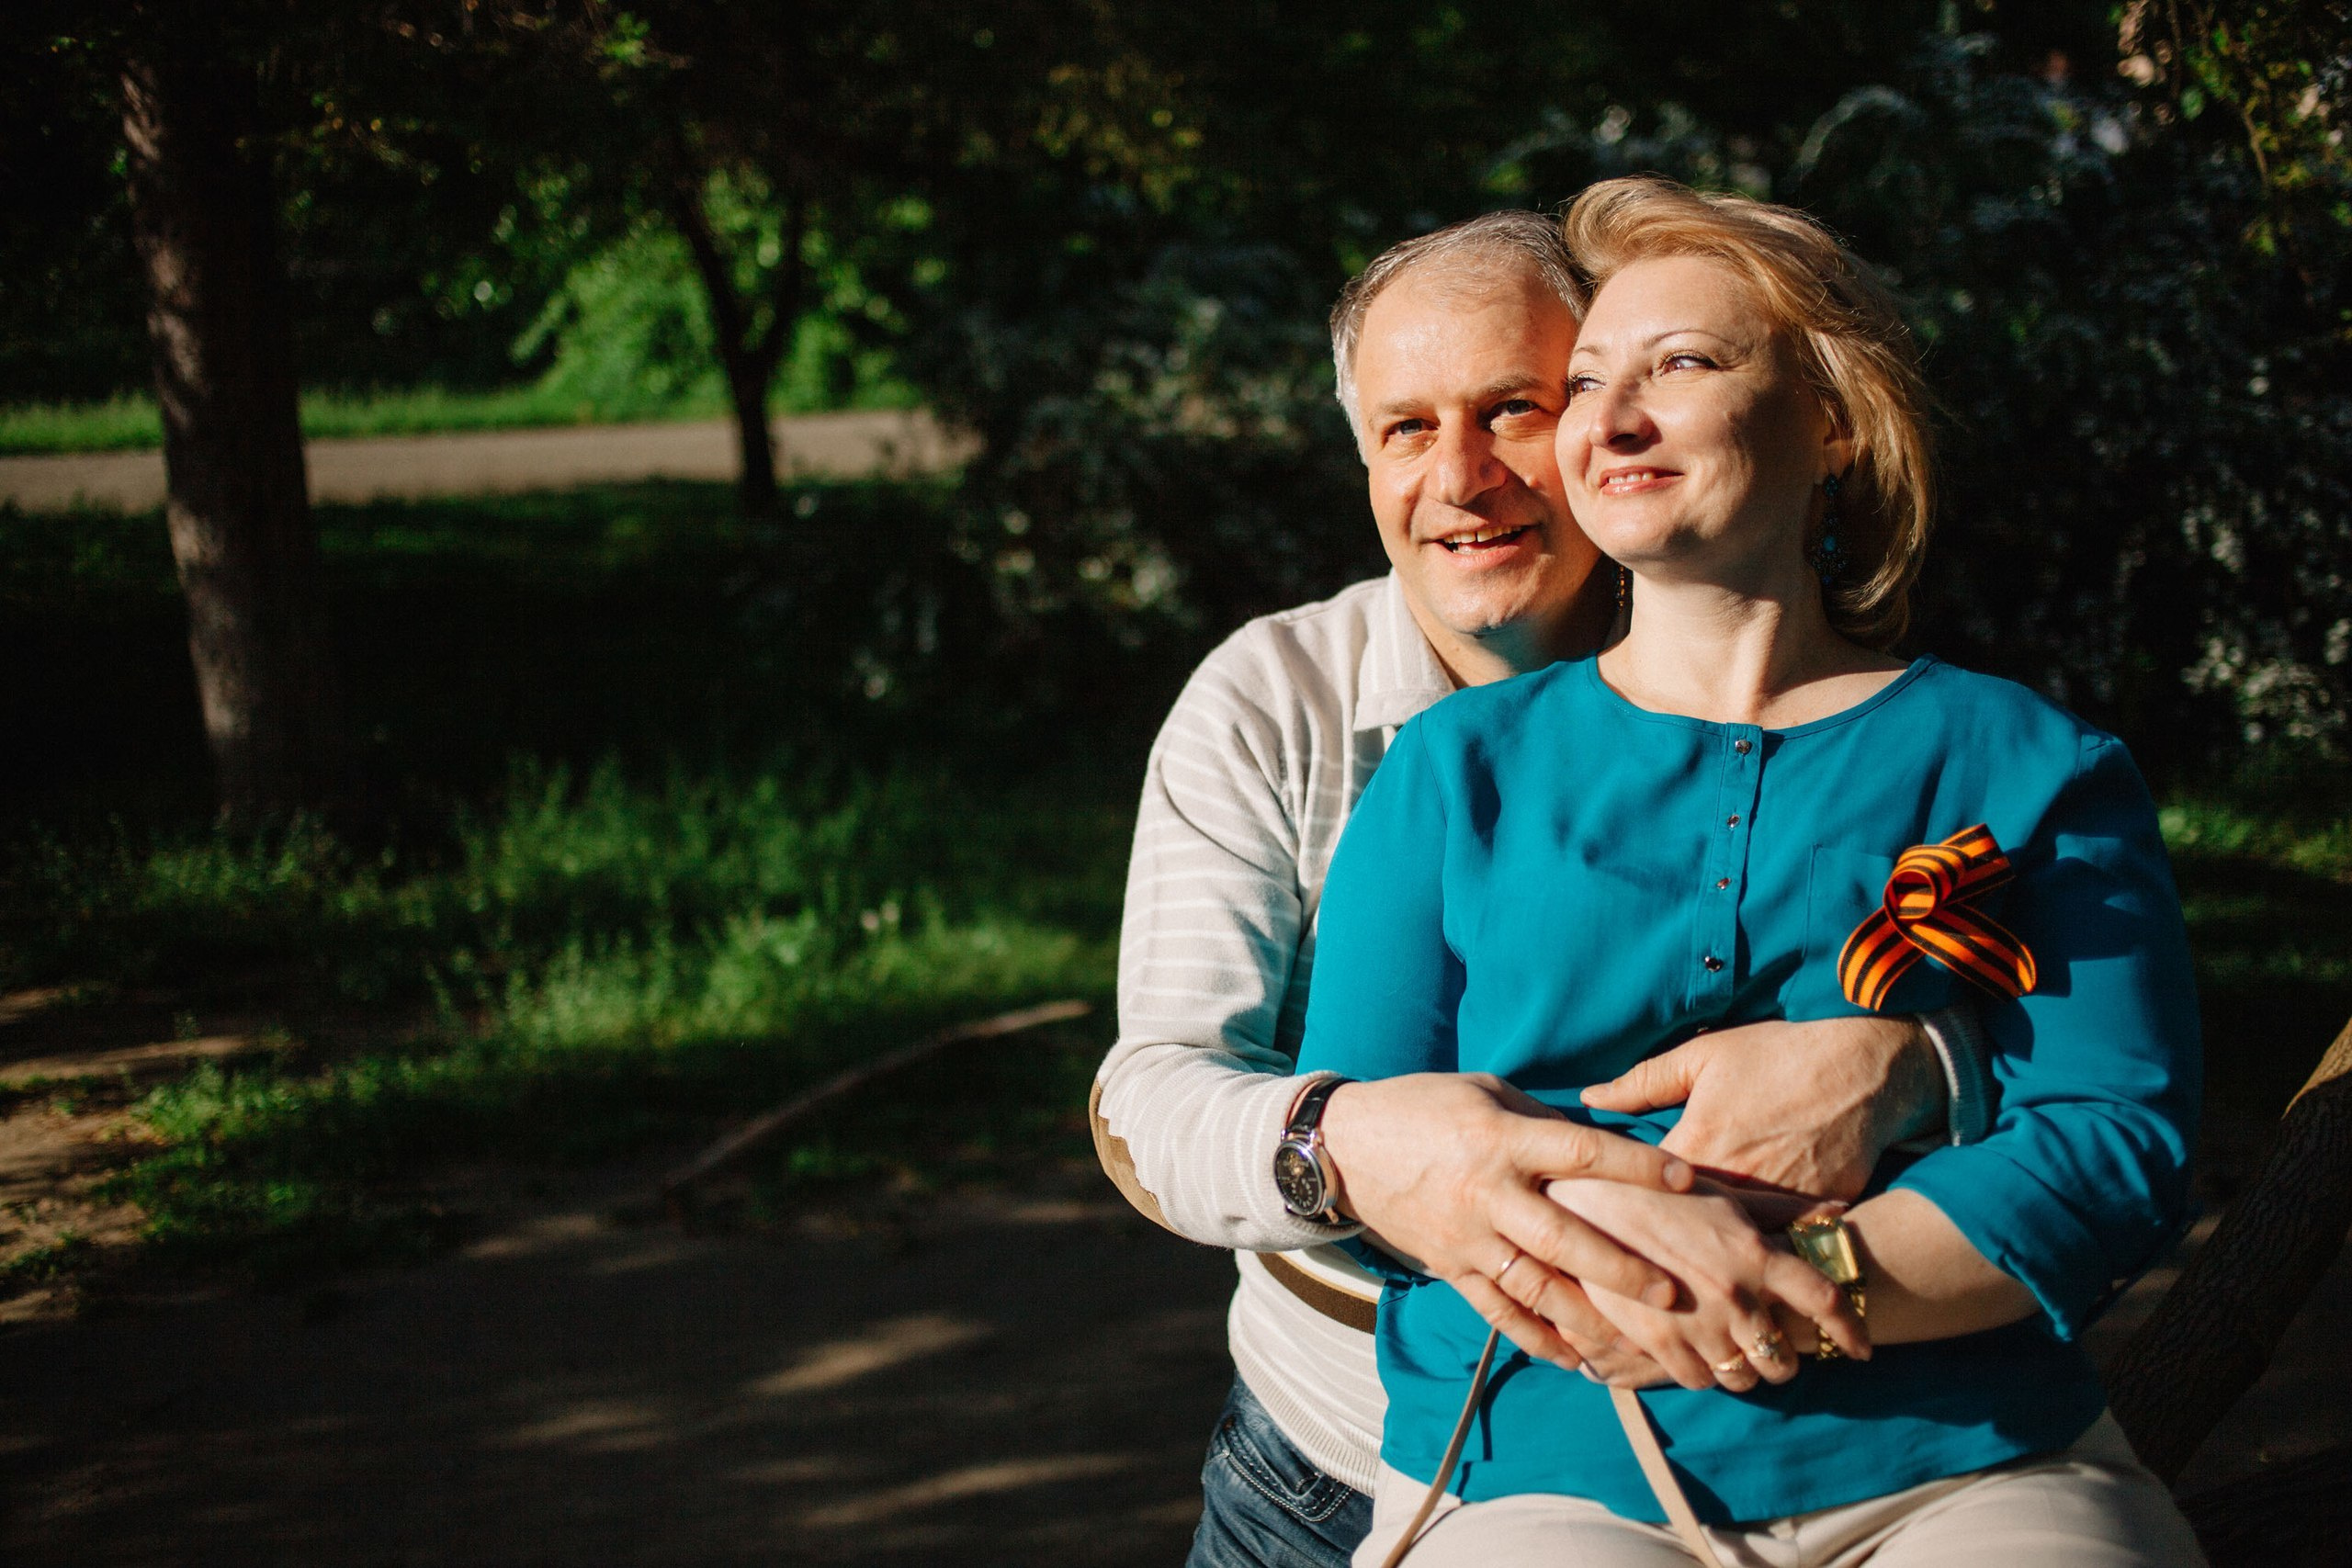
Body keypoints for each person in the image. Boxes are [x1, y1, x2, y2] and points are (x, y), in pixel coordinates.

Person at [1295, 176, 2206, 1566]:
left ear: (1834, 423)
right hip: (1549, 1461)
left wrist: (1805, 1274)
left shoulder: (2029, 760)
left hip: (1960, 1458)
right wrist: (1625, 1254)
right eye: (1589, 380)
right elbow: (1371, 1144)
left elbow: (2109, 1137)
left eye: (1685, 364)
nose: (1616, 415)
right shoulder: (1451, 769)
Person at [1090, 210, 2004, 1568]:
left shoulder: (1803, 679)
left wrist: (1923, 1061)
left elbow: (2061, 1032)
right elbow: (1146, 1097)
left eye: (1512, 409)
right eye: (1406, 429)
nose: (1459, 479)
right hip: (1332, 1461)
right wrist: (1352, 1148)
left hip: (1797, 1441)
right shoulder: (1270, 700)